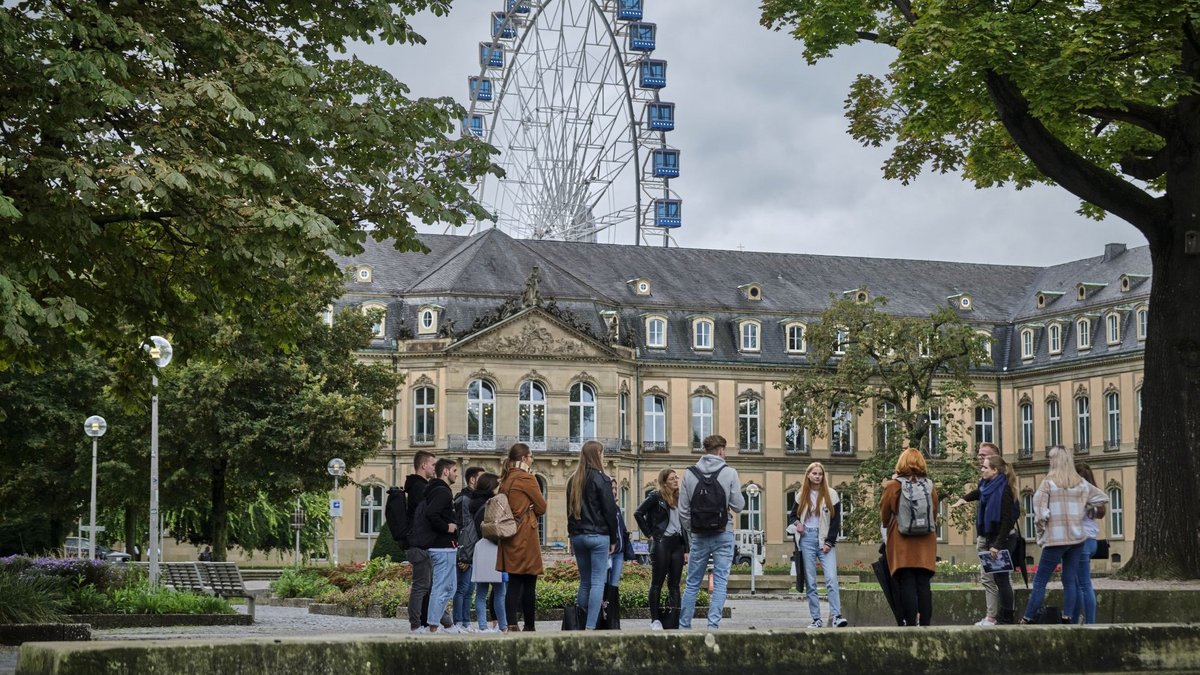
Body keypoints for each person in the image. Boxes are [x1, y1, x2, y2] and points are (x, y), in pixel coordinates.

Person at [1020, 446, 1109, 624]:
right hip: (1077, 538)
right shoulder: (1081, 483)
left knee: (1040, 582)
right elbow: (1102, 498)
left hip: (1055, 538)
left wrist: (1041, 533)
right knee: (1069, 580)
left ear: (1054, 461)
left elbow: (1040, 513)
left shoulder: (1048, 483)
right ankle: (1068, 617)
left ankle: (1027, 618)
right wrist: (1083, 505)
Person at [678, 434, 744, 630]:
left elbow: (683, 511)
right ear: (721, 450)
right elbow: (738, 506)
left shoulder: (689, 474)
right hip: (723, 533)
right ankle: (712, 627)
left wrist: (694, 529)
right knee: (721, 581)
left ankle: (684, 627)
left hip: (698, 536)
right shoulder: (730, 472)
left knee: (692, 584)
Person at [952, 453, 1020, 625]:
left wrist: (997, 545)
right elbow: (978, 493)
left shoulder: (1004, 489)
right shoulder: (986, 485)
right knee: (996, 577)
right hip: (991, 537)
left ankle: (1007, 617)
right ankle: (1000, 617)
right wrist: (963, 499)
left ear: (995, 470)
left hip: (1002, 539)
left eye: (985, 467)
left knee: (1002, 579)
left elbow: (1007, 521)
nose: (981, 469)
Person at [881, 446, 939, 627]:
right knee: (923, 583)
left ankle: (911, 624)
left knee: (906, 581)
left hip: (901, 540)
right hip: (926, 541)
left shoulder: (893, 486)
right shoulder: (929, 486)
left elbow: (884, 515)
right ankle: (926, 623)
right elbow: (934, 512)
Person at [786, 461, 848, 628]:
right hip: (807, 538)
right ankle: (816, 619)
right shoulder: (801, 495)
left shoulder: (831, 494)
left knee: (831, 579)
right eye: (814, 473)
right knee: (811, 581)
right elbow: (792, 516)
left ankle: (836, 616)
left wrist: (829, 541)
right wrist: (797, 523)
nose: (817, 476)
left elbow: (836, 521)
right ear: (808, 475)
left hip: (824, 539)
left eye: (820, 474)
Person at [566, 440, 619, 630]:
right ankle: (590, 627)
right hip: (598, 536)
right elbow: (609, 512)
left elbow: (569, 510)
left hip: (578, 535)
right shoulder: (602, 479)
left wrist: (571, 535)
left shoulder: (573, 479)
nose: (604, 457)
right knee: (598, 581)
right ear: (597, 455)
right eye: (602, 453)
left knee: (585, 581)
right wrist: (614, 538)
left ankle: (579, 624)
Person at [497, 442, 547, 632]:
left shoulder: (506, 479)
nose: (533, 459)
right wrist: (532, 508)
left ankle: (511, 624)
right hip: (525, 534)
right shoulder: (527, 478)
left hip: (509, 535)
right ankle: (529, 625)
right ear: (524, 458)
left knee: (514, 582)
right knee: (529, 583)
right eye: (531, 456)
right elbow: (542, 507)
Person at [635, 468, 686, 630]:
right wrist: (649, 534)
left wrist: (687, 548)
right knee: (657, 583)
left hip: (677, 543)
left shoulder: (680, 498)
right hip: (661, 542)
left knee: (675, 584)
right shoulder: (656, 497)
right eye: (672, 478)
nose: (676, 480)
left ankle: (674, 619)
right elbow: (638, 513)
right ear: (664, 482)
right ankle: (655, 620)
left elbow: (685, 525)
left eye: (676, 477)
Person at [404, 450, 444, 633]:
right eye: (433, 465)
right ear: (423, 466)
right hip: (420, 542)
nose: (435, 468)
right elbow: (426, 515)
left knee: (427, 585)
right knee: (421, 586)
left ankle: (426, 622)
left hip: (422, 541)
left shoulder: (417, 486)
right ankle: (416, 624)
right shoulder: (419, 488)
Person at [422, 458, 460, 633]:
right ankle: (433, 626)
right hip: (442, 546)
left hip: (445, 546)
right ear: (445, 471)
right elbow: (432, 514)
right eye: (454, 471)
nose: (456, 475)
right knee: (442, 587)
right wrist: (447, 527)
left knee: (449, 587)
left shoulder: (438, 490)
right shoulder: (442, 492)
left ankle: (435, 623)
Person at [1069, 463, 1107, 624]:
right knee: (1079, 584)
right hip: (1092, 542)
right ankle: (1078, 620)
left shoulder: (1077, 495)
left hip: (1080, 542)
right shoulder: (1094, 494)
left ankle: (1088, 623)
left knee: (1082, 585)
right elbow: (1101, 513)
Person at [470, 472, 507, 633]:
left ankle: (483, 626)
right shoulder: (491, 504)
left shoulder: (473, 502)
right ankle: (503, 625)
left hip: (480, 548)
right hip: (493, 548)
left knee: (481, 593)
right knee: (500, 592)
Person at [453, 466, 484, 632]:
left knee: (469, 589)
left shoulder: (471, 498)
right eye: (481, 478)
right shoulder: (465, 499)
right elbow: (465, 529)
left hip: (472, 550)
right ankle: (458, 621)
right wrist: (464, 556)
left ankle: (464, 621)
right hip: (466, 550)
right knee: (462, 589)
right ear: (472, 480)